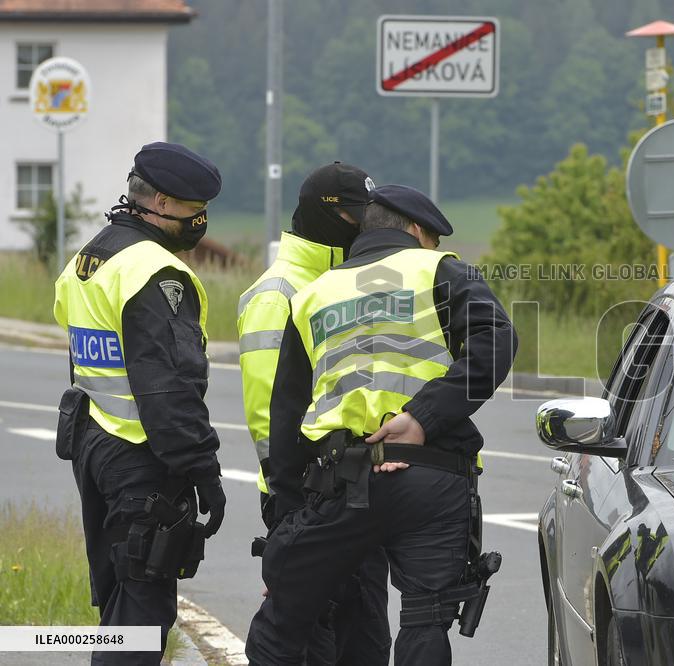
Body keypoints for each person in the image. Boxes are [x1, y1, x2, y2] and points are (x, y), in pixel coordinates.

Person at [245, 184, 517, 665]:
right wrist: (424, 417)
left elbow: (287, 417)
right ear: (416, 231)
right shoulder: (441, 269)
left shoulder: (312, 296)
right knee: (425, 619)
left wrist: (288, 523)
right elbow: (497, 340)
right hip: (433, 477)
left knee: (283, 618)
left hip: (341, 481)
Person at [52, 142, 227, 665]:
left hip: (94, 447)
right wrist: (202, 470)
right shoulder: (156, 272)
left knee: (117, 606)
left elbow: (84, 361)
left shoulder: (90, 257)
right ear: (165, 204)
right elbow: (169, 387)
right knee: (141, 622)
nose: (201, 222)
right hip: (140, 461)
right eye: (196, 210)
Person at [237, 162, 390, 665]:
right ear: (323, 215)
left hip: (353, 491)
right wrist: (291, 512)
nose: (363, 226)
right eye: (355, 215)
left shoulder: (352, 283)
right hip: (303, 497)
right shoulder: (277, 293)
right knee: (312, 646)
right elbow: (269, 419)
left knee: (362, 638)